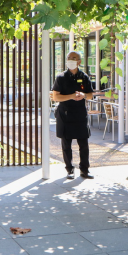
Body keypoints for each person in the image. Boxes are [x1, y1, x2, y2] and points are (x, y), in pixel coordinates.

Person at [52, 51, 94, 180]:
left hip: (80, 114)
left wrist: (83, 96)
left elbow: (90, 95)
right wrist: (71, 96)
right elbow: (55, 97)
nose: (70, 60)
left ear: (79, 61)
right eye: (69, 58)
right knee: (66, 144)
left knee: (84, 144)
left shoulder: (84, 76)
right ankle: (69, 169)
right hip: (65, 114)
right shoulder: (61, 77)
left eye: (74, 58)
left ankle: (84, 170)